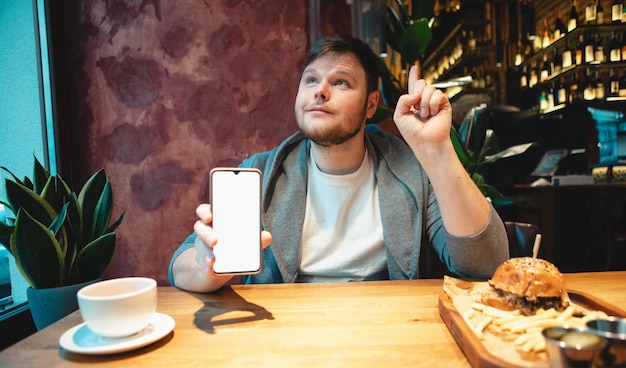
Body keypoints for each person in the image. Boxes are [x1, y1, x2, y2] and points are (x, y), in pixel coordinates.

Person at [169, 34, 509, 293]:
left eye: (341, 82)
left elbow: (485, 264)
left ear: (371, 104)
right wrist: (208, 268)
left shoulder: (411, 171)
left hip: (390, 335)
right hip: (282, 340)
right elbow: (180, 266)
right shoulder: (261, 173)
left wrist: (436, 150)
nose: (320, 91)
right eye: (311, 80)